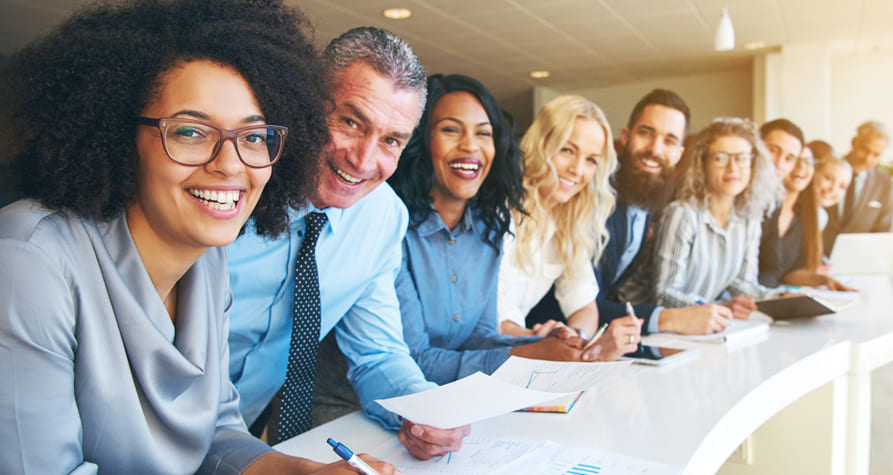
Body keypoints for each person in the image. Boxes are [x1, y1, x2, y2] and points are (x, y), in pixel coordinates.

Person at [0, 0, 396, 473]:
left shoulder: (207, 262)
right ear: (119, 136)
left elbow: (215, 433)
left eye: (253, 137)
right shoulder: (28, 261)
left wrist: (303, 471)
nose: (229, 164)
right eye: (190, 131)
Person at [226, 26, 467, 458]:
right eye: (351, 122)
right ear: (306, 103)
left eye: (391, 140)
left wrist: (421, 407)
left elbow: (377, 354)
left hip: (235, 442)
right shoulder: (230, 187)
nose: (363, 160)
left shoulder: (382, 217)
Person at [388, 74, 595, 385]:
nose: (470, 145)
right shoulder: (394, 230)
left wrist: (553, 345)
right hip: (364, 408)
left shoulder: (488, 229)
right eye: (450, 130)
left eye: (483, 134)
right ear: (421, 139)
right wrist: (523, 355)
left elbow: (480, 336)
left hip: (448, 399)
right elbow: (414, 359)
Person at [537, 89, 733, 335]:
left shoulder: (651, 198)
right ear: (626, 136)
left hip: (583, 338)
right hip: (540, 333)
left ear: (679, 153)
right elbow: (582, 301)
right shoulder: (589, 194)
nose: (655, 149)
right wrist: (668, 319)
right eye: (646, 133)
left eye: (669, 141)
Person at [496, 95, 640, 360]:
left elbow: (585, 308)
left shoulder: (568, 223)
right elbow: (492, 322)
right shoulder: (498, 213)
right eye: (567, 150)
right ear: (542, 144)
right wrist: (547, 340)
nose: (577, 169)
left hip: (520, 356)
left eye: (591, 160)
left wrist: (575, 335)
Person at [642, 118, 781, 319]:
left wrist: (781, 297)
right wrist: (715, 307)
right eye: (721, 158)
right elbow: (663, 295)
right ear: (702, 163)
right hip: (669, 330)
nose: (733, 168)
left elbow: (742, 284)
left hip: (711, 326)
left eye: (742, 158)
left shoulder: (750, 218)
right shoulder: (682, 214)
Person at [758, 137, 854, 290]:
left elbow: (788, 273)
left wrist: (823, 280)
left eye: (842, 186)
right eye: (828, 178)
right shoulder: (765, 207)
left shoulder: (809, 216)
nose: (833, 189)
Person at [823, 120, 893, 253]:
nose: (868, 159)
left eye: (876, 154)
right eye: (864, 150)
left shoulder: (885, 184)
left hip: (858, 261)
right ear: (853, 142)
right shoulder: (825, 170)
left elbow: (883, 231)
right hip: (817, 259)